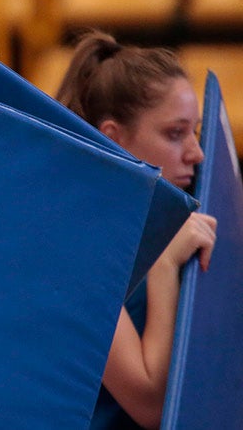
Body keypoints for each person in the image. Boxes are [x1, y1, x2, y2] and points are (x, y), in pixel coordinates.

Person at [56, 30, 218, 429]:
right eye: (175, 133)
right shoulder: (76, 242)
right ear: (114, 139)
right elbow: (150, 405)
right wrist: (164, 266)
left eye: (195, 132)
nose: (196, 152)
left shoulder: (163, 227)